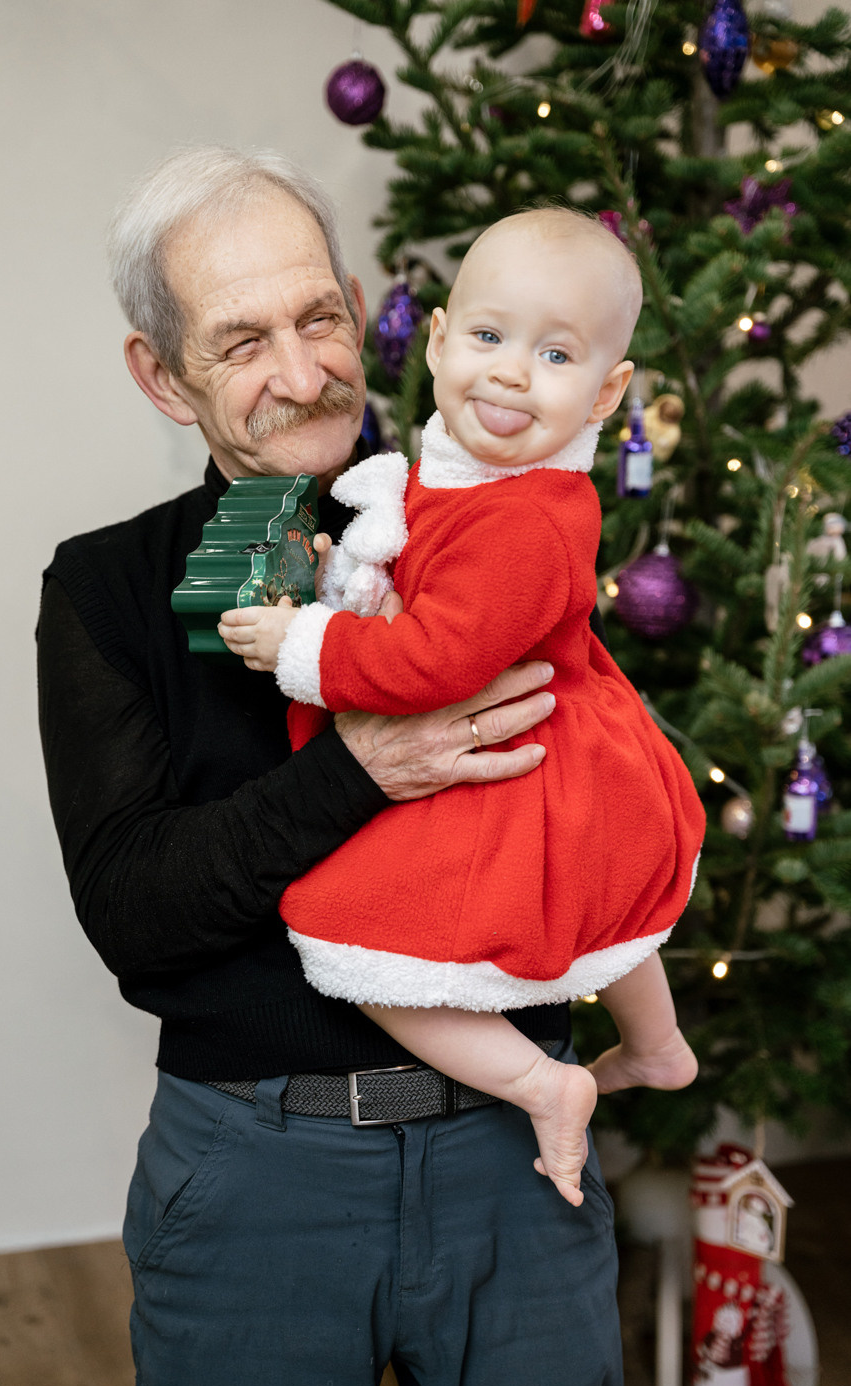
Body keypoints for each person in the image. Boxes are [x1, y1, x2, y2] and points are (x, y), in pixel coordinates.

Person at [38, 147, 624, 1386]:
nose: (303, 376)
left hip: (514, 1156)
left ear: (359, 308)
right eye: (242, 340)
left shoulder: (488, 520)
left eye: (320, 316)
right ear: (161, 374)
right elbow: (136, 911)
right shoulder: (104, 589)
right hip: (256, 1167)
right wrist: (364, 766)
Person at [220, 207, 705, 1207]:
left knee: (348, 930)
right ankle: (657, 1045)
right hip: (573, 736)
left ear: (608, 391)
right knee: (614, 910)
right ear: (437, 338)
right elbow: (430, 590)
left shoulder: (525, 516)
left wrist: (306, 644)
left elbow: (436, 658)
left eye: (556, 352)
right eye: (488, 336)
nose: (511, 372)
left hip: (527, 757)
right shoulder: (473, 473)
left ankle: (543, 1080)